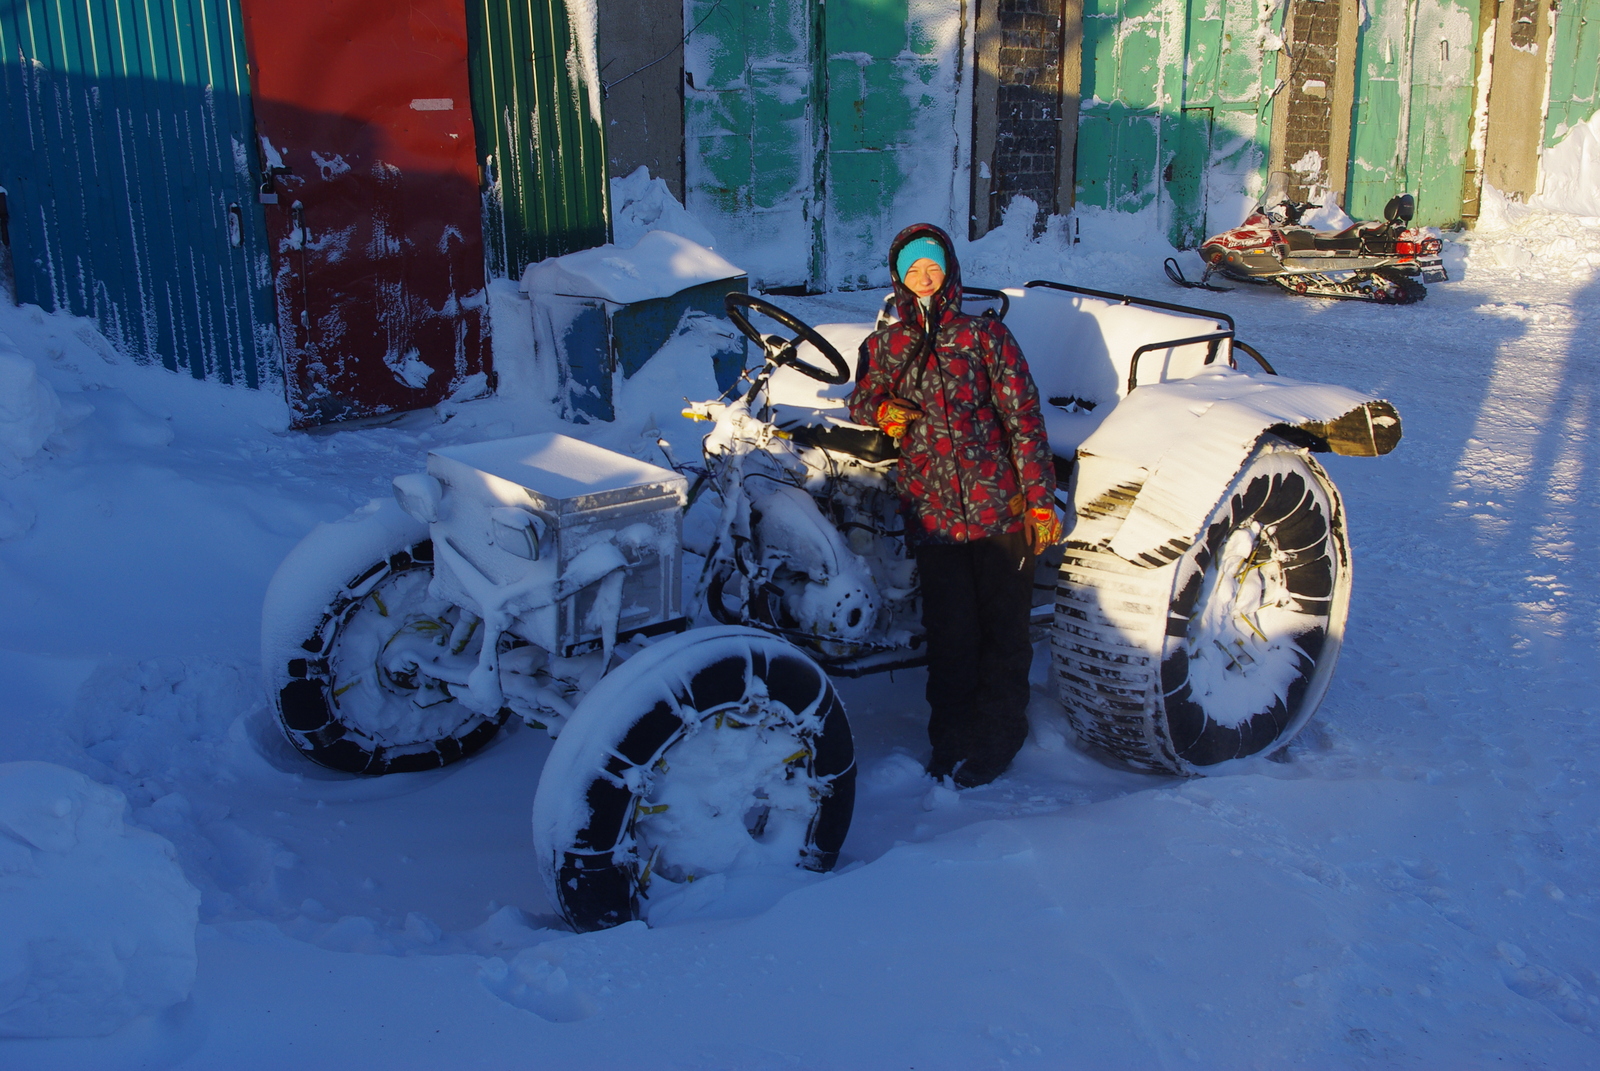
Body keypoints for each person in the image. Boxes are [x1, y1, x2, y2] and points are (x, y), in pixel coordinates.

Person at [849, 223, 1061, 788]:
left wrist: (1040, 502)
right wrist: (882, 412)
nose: (924, 276)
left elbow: (1024, 422)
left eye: (933, 266)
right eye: (913, 268)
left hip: (1000, 512)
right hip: (933, 511)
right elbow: (862, 399)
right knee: (951, 637)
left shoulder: (985, 338)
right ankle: (950, 742)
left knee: (1003, 633)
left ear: (949, 272)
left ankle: (997, 740)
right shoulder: (887, 343)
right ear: (899, 277)